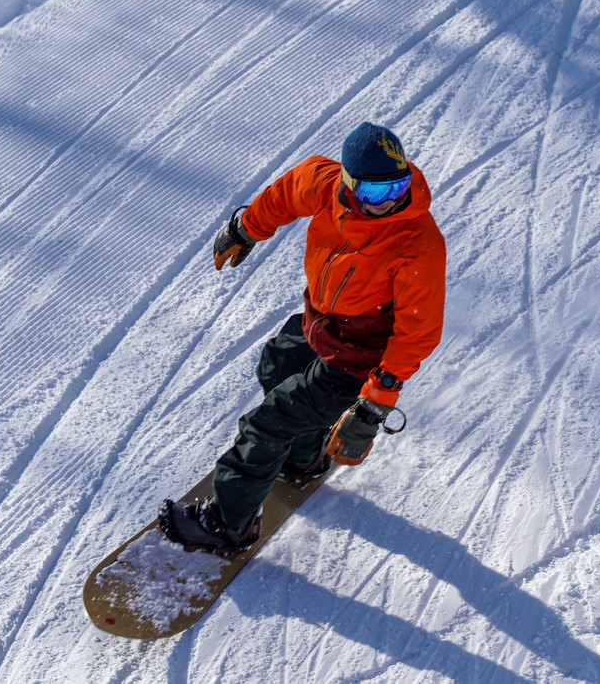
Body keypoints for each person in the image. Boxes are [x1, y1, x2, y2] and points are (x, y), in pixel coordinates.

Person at [159, 122, 446, 551]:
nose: (388, 203)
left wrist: (374, 403)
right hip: (322, 323)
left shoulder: (417, 243)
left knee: (267, 424)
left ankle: (227, 526)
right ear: (348, 184)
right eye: (372, 194)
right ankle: (302, 457)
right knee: (276, 364)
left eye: (397, 188)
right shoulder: (324, 184)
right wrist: (246, 228)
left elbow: (418, 330)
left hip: (361, 355)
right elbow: (286, 193)